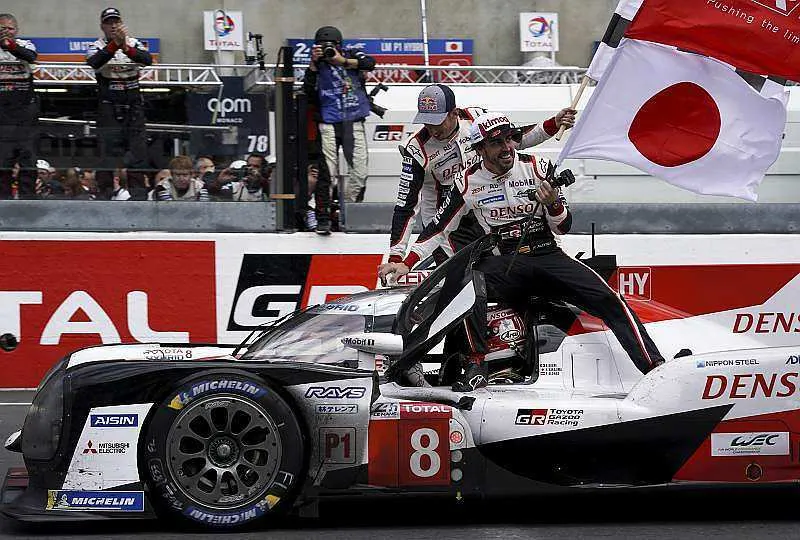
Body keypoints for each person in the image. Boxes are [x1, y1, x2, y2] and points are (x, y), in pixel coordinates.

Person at [380, 112, 665, 391]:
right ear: (480, 149)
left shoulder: (538, 167)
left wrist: (553, 203)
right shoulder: (466, 181)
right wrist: (404, 261)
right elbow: (438, 229)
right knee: (463, 282)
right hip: (504, 261)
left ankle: (655, 367)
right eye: (496, 143)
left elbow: (563, 227)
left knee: (610, 299)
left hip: (546, 254)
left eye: (510, 139)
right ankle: (475, 364)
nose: (506, 147)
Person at [379, 84, 576, 273]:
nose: (432, 130)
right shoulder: (415, 148)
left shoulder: (476, 117)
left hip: (484, 207)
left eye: (437, 122)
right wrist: (396, 257)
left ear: (454, 113)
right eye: (427, 123)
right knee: (457, 277)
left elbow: (515, 140)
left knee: (497, 271)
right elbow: (406, 205)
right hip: (446, 220)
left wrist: (554, 124)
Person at [303, 25, 376, 233]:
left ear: (339, 45)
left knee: (360, 172)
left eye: (331, 45)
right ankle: (323, 217)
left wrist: (341, 61)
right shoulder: (316, 65)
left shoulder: (351, 55)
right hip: (328, 123)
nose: (327, 49)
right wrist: (313, 66)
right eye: (322, 46)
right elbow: (308, 93)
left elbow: (370, 63)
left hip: (353, 122)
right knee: (327, 174)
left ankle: (349, 212)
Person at [86, 7, 152, 200]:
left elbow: (147, 59)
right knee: (107, 156)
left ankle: (138, 199)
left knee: (137, 155)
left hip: (133, 107)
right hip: (108, 107)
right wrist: (114, 45)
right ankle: (105, 198)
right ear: (102, 26)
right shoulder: (96, 46)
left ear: (122, 24)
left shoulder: (134, 43)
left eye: (116, 22)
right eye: (109, 23)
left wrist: (125, 47)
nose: (113, 26)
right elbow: (94, 62)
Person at [0, 13, 37, 200]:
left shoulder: (26, 44)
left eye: (10, 28)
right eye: (2, 28)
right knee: (3, 161)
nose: (6, 31)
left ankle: (28, 200)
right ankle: (3, 201)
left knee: (28, 158)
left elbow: (31, 57)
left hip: (25, 112)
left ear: (16, 30)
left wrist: (10, 46)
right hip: (2, 114)